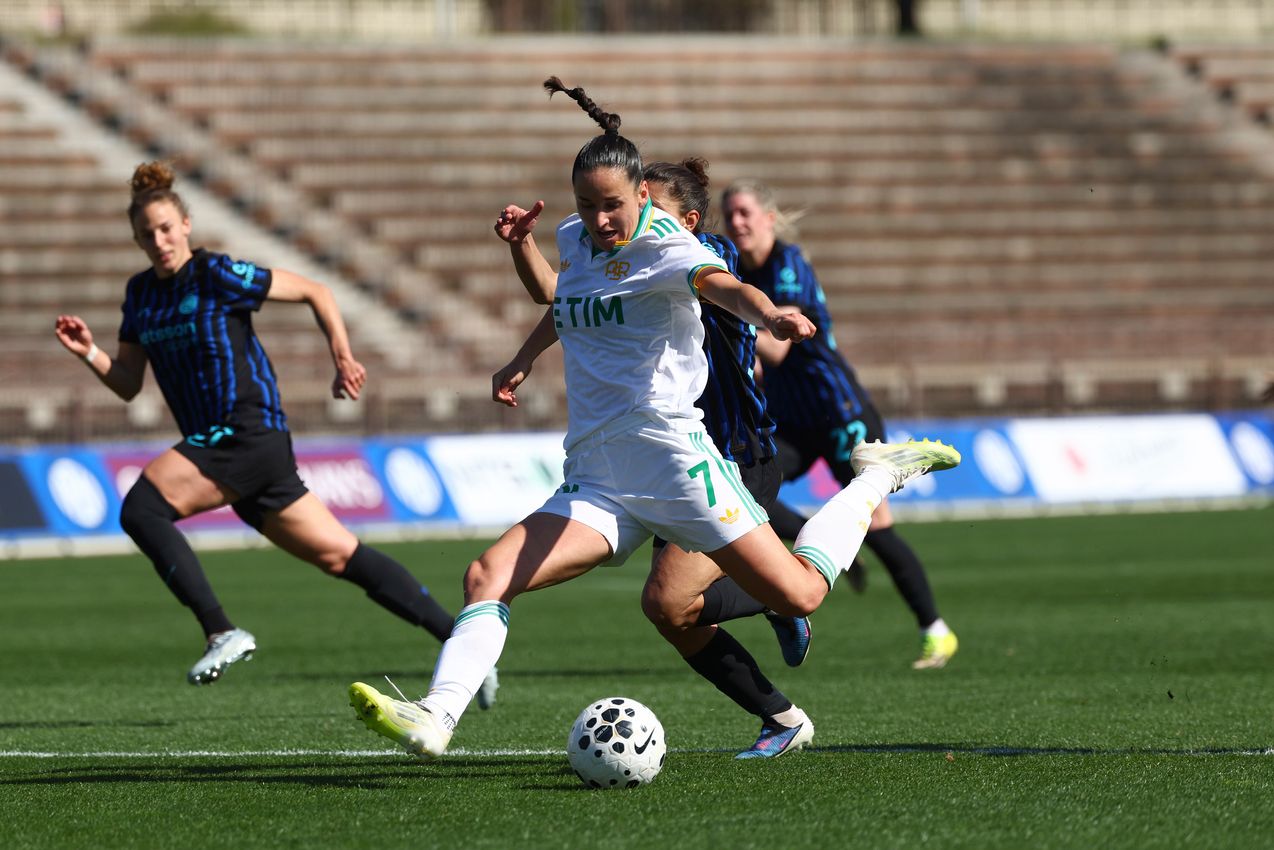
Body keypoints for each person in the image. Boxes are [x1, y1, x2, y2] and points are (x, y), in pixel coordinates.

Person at [347, 77, 960, 760]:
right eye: (588, 205)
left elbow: (722, 285)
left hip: (677, 463)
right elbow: (562, 298)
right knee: (487, 576)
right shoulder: (578, 238)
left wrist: (771, 316)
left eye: (613, 205)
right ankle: (436, 717)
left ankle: (875, 478)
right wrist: (522, 272)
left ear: (642, 195)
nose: (601, 220)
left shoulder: (669, 244)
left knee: (802, 593)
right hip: (599, 472)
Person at [53, 161, 499, 706]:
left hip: (245, 433)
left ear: (186, 224)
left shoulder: (215, 274)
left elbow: (316, 291)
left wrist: (342, 356)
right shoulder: (140, 295)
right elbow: (127, 383)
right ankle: (465, 648)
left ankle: (220, 630)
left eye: (167, 228)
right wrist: (91, 353)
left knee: (141, 509)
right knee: (342, 556)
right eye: (147, 234)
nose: (159, 240)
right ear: (136, 239)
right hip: (225, 449)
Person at [490, 156, 816, 758]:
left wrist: (771, 314)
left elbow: (730, 290)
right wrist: (526, 354)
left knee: (675, 600)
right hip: (656, 458)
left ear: (685, 221)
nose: (628, 225)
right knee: (666, 608)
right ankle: (780, 716)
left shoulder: (687, 253)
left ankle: (795, 578)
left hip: (732, 450)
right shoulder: (619, 253)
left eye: (652, 212)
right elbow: (574, 303)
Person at [722, 177, 958, 670]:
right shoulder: (737, 272)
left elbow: (778, 346)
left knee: (876, 525)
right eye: (731, 214)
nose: (737, 222)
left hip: (840, 411)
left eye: (745, 212)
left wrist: (726, 313)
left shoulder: (788, 266)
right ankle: (818, 533)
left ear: (769, 217)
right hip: (788, 418)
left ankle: (936, 631)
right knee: (741, 484)